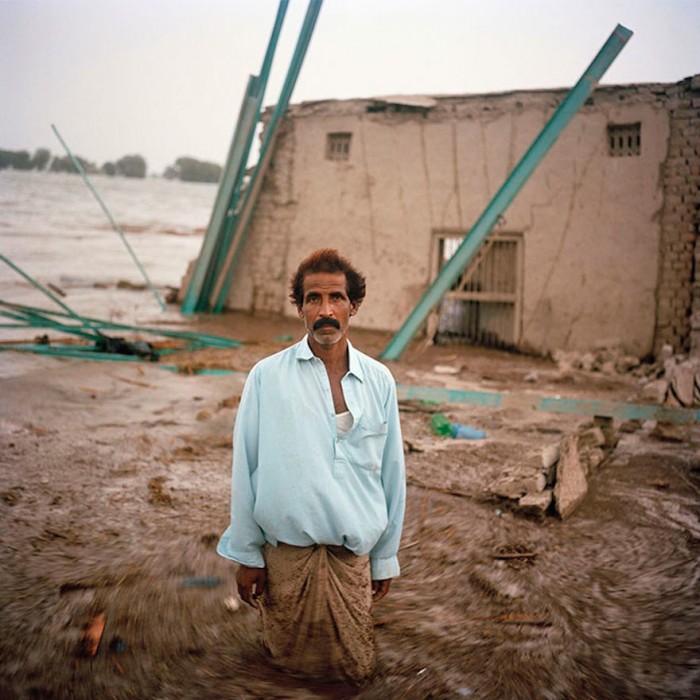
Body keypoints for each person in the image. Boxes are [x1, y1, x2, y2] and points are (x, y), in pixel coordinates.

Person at [217, 248, 406, 683]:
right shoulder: (267, 377)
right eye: (314, 299)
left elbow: (392, 474)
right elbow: (245, 470)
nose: (325, 310)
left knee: (351, 672)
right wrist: (248, 554)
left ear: (353, 305)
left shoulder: (379, 381)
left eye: (336, 298)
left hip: (351, 558)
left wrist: (385, 556)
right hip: (286, 559)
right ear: (300, 307)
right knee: (285, 671)